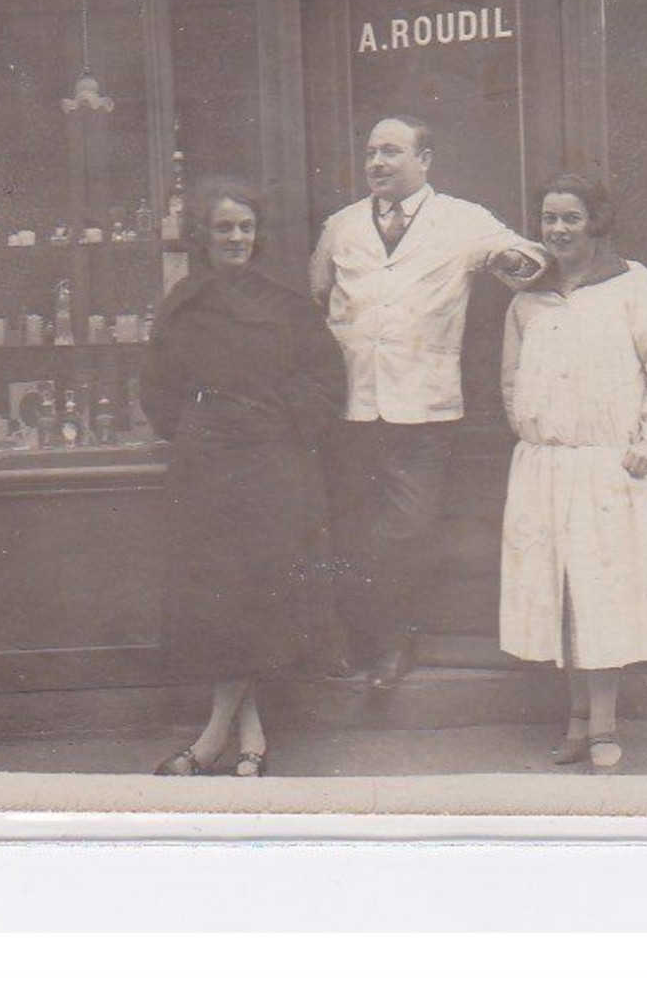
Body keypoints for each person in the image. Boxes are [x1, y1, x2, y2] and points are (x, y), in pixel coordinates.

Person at [309, 115, 550, 689]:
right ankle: (360, 641)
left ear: (426, 160)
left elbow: (530, 261)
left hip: (424, 412)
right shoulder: (341, 227)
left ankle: (394, 642)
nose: (377, 164)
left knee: (406, 531)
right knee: (348, 528)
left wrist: (510, 264)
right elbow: (317, 297)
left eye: (390, 152)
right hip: (351, 408)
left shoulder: (462, 221)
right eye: (370, 153)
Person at [143, 177, 346, 776]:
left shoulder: (285, 302)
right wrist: (196, 426)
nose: (235, 238)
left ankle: (214, 738)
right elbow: (157, 386)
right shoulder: (183, 302)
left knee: (258, 597)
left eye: (245, 228)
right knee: (218, 600)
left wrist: (283, 418)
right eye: (224, 228)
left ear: (258, 235)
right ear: (203, 236)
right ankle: (247, 735)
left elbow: (326, 379)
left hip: (273, 467)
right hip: (207, 467)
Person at [499, 174, 647, 772]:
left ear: (595, 223)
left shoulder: (632, 285)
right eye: (549, 219)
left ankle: (603, 726)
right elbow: (510, 378)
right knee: (562, 598)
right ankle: (578, 723)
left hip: (610, 467)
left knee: (601, 597)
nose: (557, 230)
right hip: (545, 467)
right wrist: (534, 431)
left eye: (571, 218)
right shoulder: (527, 297)